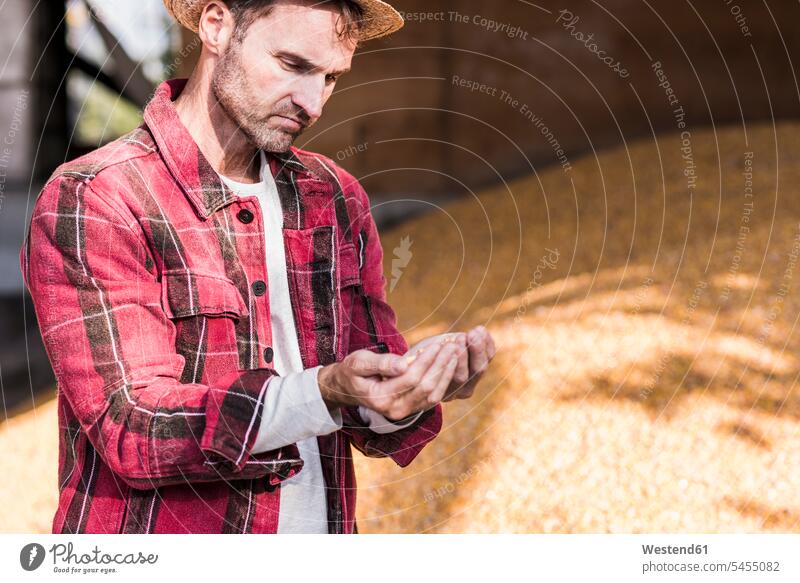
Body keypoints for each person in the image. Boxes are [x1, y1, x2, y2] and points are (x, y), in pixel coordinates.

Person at [20, 0, 496, 534]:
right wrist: (325, 389)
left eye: (331, 77)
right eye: (293, 66)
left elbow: (365, 395)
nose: (313, 103)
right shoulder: (98, 198)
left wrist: (405, 393)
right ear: (217, 25)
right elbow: (133, 429)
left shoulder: (334, 197)